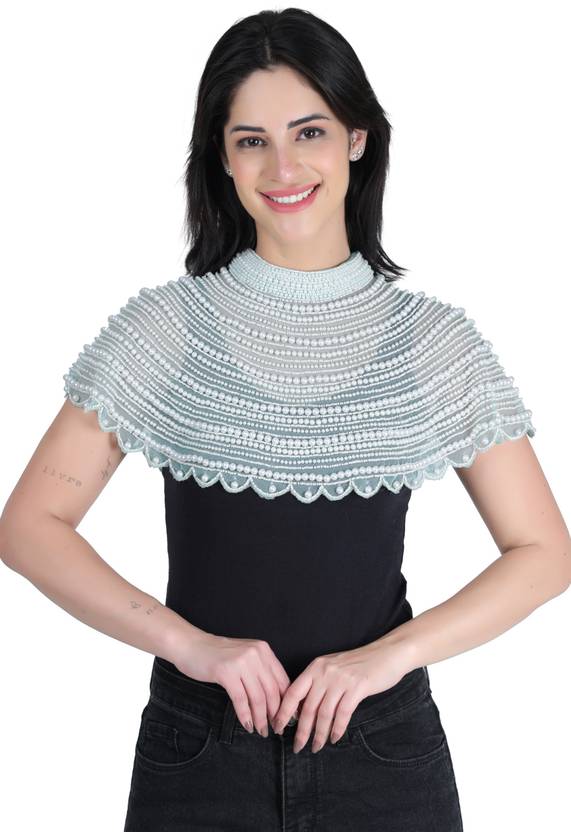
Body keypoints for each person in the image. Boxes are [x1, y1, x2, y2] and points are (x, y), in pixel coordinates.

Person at [1, 8, 569, 831]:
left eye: (309, 132)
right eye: (251, 140)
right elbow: (29, 526)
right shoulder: (166, 331)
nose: (283, 166)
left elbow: (544, 552)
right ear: (222, 159)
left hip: (383, 755)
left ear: (356, 138)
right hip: (199, 753)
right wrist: (191, 645)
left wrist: (388, 657)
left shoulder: (431, 342)